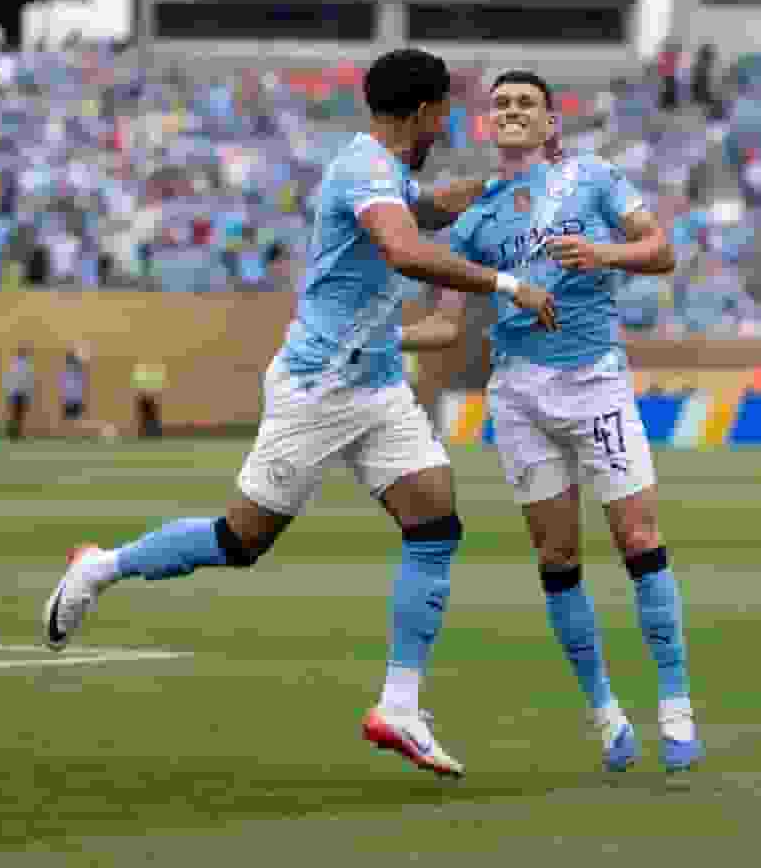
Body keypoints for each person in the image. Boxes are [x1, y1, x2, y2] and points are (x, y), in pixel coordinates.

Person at [41, 48, 557, 779]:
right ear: (422, 113)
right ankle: (102, 567)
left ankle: (400, 707)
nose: (450, 121)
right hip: (317, 388)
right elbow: (406, 249)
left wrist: (503, 183)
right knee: (239, 541)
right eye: (445, 109)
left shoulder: (387, 173)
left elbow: (426, 209)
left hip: (375, 385)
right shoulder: (362, 172)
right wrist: (507, 283)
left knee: (436, 524)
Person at [401, 69, 701, 774]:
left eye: (525, 104)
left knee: (638, 536)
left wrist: (605, 253)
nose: (511, 112)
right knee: (556, 557)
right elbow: (445, 327)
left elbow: (661, 250)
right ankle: (605, 714)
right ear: (487, 122)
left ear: (550, 123)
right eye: (500, 104)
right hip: (520, 398)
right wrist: (378, 338)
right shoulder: (473, 224)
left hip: (595, 380)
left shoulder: (594, 179)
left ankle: (677, 704)